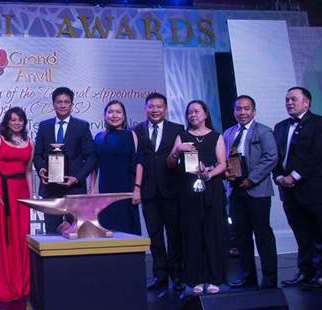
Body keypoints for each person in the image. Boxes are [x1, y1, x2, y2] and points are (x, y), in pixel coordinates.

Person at [273, 87, 322, 288]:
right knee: (301, 233)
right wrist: (280, 175)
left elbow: (319, 154)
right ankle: (305, 271)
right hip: (290, 192)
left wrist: (295, 176)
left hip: (315, 189)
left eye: (294, 99)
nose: (289, 102)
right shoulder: (281, 126)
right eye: (287, 99)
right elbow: (276, 157)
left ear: (306, 103)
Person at [166, 100, 228, 294]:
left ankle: (215, 278)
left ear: (205, 114)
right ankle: (196, 279)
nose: (192, 115)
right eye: (189, 112)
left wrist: (209, 174)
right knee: (192, 234)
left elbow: (222, 164)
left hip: (211, 188)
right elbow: (169, 164)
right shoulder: (182, 136)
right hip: (187, 191)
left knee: (213, 232)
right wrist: (177, 151)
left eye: (196, 111)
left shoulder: (217, 136)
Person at [224, 95, 279, 289]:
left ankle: (270, 279)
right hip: (236, 191)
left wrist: (251, 179)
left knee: (263, 235)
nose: (242, 112)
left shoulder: (264, 131)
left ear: (254, 111)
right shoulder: (229, 133)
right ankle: (248, 277)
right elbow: (224, 160)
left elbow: (271, 157)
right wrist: (227, 173)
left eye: (246, 109)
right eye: (239, 109)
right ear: (234, 111)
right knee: (241, 236)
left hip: (257, 190)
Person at [132, 92, 184, 291]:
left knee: (174, 235)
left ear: (166, 109)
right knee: (154, 236)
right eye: (151, 107)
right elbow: (137, 161)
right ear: (146, 108)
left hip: (172, 190)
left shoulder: (177, 129)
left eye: (159, 107)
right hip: (148, 191)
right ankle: (160, 276)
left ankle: (177, 275)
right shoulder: (136, 130)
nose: (155, 110)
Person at [0, 107, 33, 302]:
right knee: (2, 237)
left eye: (20, 120)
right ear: (7, 122)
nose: (17, 123)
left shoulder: (30, 143)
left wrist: (32, 197)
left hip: (21, 195)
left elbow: (28, 172)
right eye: (13, 120)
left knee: (20, 237)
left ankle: (22, 282)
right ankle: (0, 283)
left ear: (24, 122)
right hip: (1, 192)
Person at [34, 87, 96, 233]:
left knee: (76, 234)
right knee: (51, 234)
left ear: (71, 105)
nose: (62, 105)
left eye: (66, 102)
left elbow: (91, 157)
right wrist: (41, 169)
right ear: (53, 104)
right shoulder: (44, 126)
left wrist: (77, 178)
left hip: (74, 189)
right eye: (59, 102)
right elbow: (37, 155)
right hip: (50, 189)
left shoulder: (82, 126)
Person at [90, 100, 140, 235]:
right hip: (105, 192)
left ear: (124, 116)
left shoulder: (131, 135)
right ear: (105, 116)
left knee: (127, 231)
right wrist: (92, 189)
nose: (114, 115)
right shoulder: (99, 137)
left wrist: (137, 188)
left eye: (118, 112)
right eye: (110, 112)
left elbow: (138, 164)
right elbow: (94, 167)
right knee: (107, 231)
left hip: (126, 191)